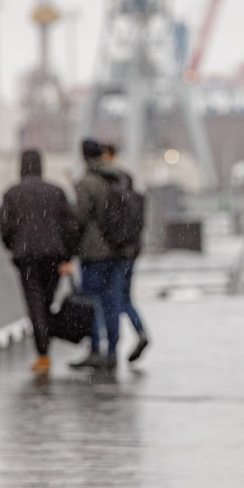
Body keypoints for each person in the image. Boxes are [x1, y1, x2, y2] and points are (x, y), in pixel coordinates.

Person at [0, 150, 80, 375]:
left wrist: (13, 245)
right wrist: (67, 255)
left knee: (34, 301)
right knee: (47, 299)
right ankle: (46, 340)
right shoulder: (55, 192)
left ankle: (42, 352)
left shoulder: (12, 194)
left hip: (26, 257)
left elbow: (5, 227)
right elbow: (69, 226)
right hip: (53, 255)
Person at [69, 139, 127, 371]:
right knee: (113, 301)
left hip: (93, 253)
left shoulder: (87, 182)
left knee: (92, 301)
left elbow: (79, 218)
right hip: (118, 249)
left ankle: (95, 349)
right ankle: (113, 351)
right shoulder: (119, 176)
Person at [101, 143, 149, 362]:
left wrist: (112, 242)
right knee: (125, 297)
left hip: (117, 253)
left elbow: (110, 223)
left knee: (115, 299)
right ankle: (140, 332)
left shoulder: (112, 189)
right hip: (132, 252)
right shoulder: (134, 194)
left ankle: (114, 347)